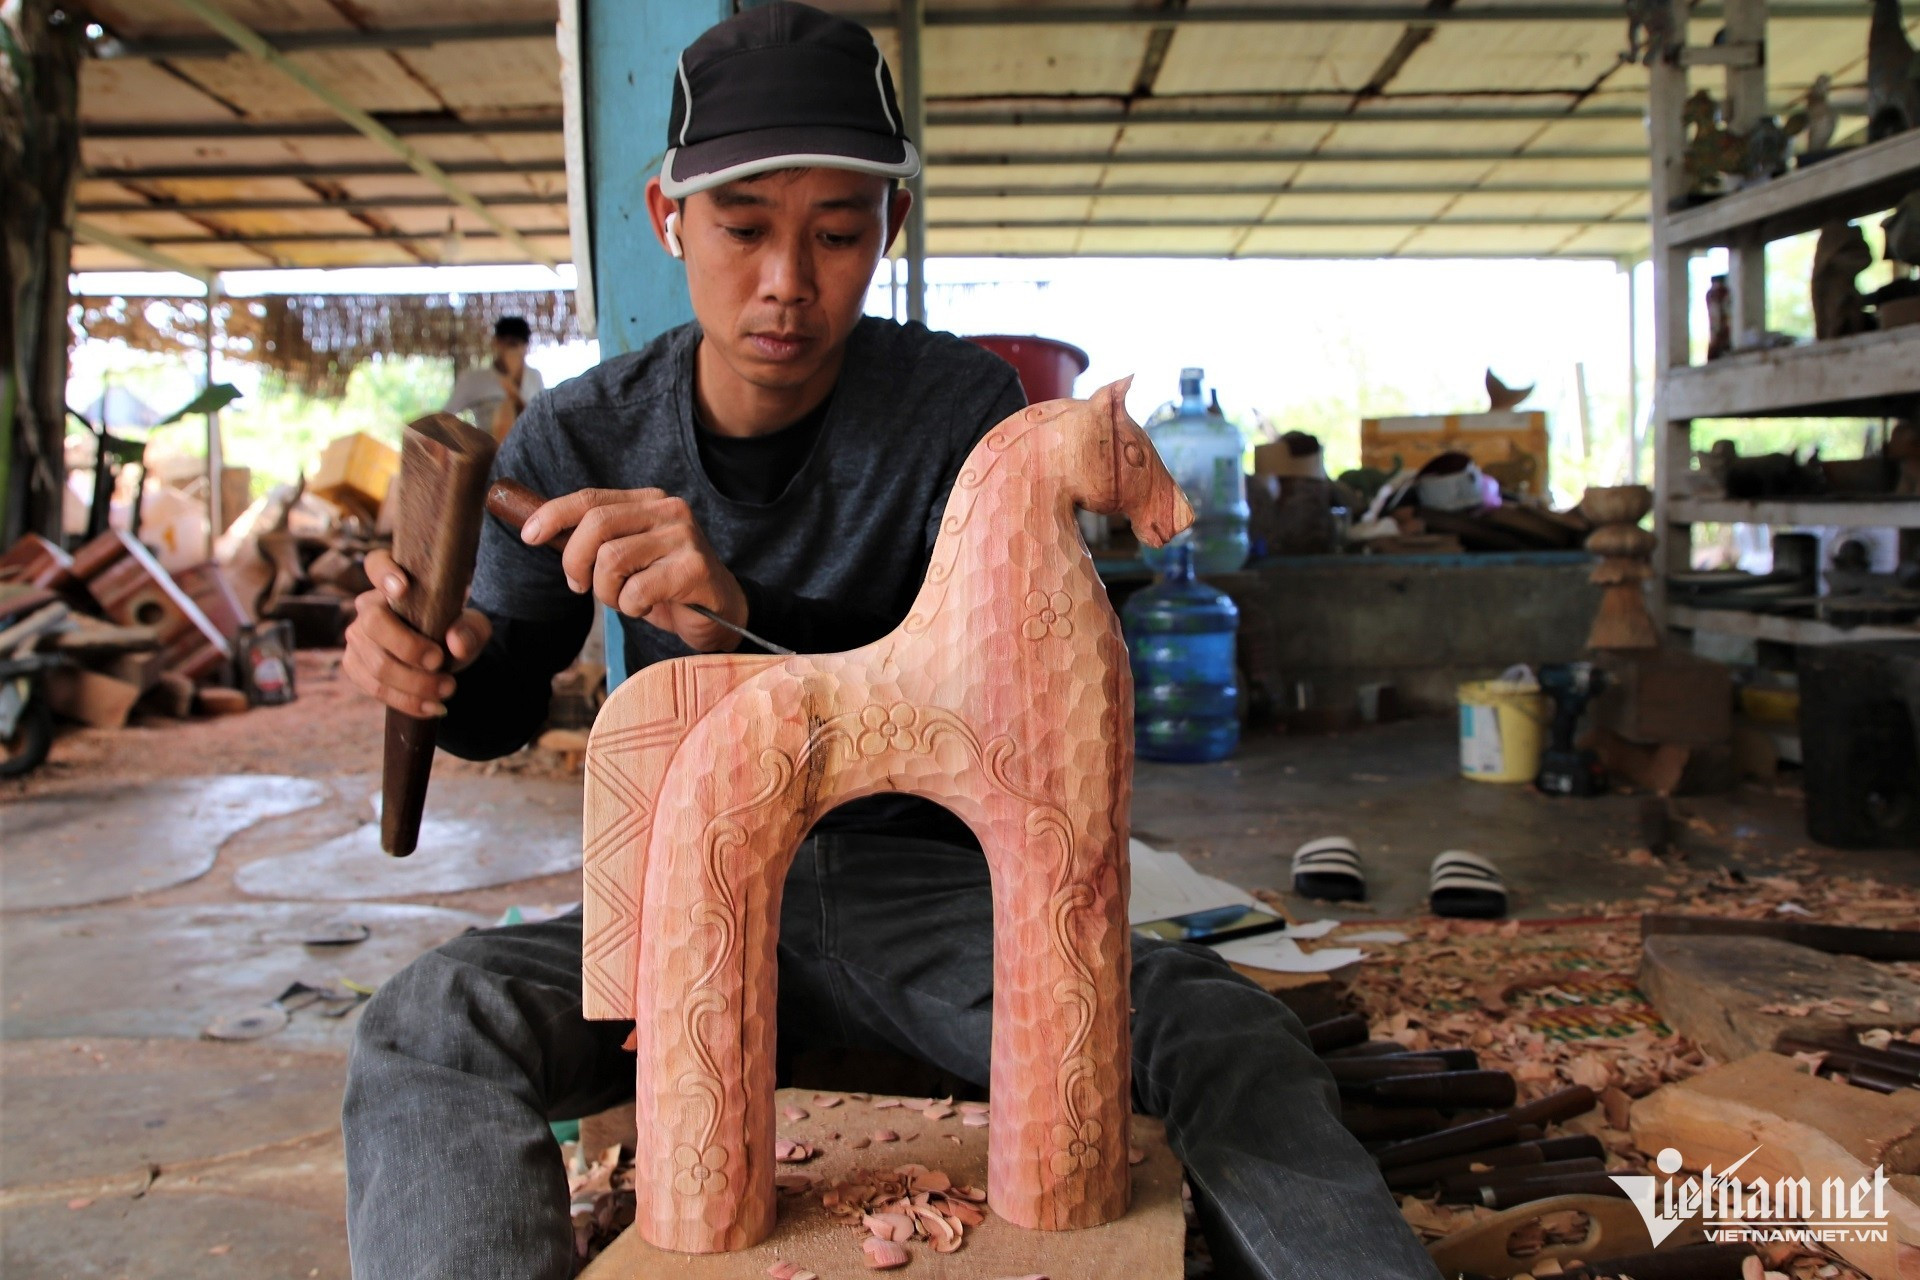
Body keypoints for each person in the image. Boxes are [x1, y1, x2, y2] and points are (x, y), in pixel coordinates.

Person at [339, 6, 1440, 1279]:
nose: (787, 284)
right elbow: (502, 703)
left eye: (839, 232)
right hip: (690, 890)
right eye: (743, 228)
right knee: (428, 1021)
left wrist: (741, 610)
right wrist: (430, 672)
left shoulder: (962, 412)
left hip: (931, 893)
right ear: (667, 220)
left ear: (891, 230)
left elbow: (999, 701)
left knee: (1219, 1026)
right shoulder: (575, 438)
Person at [444, 314, 544, 441]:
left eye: (521, 344)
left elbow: (542, 420)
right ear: (497, 343)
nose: (516, 350)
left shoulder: (534, 377)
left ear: (526, 346)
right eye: (510, 344)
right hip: (489, 455)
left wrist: (514, 393)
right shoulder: (474, 380)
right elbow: (445, 416)